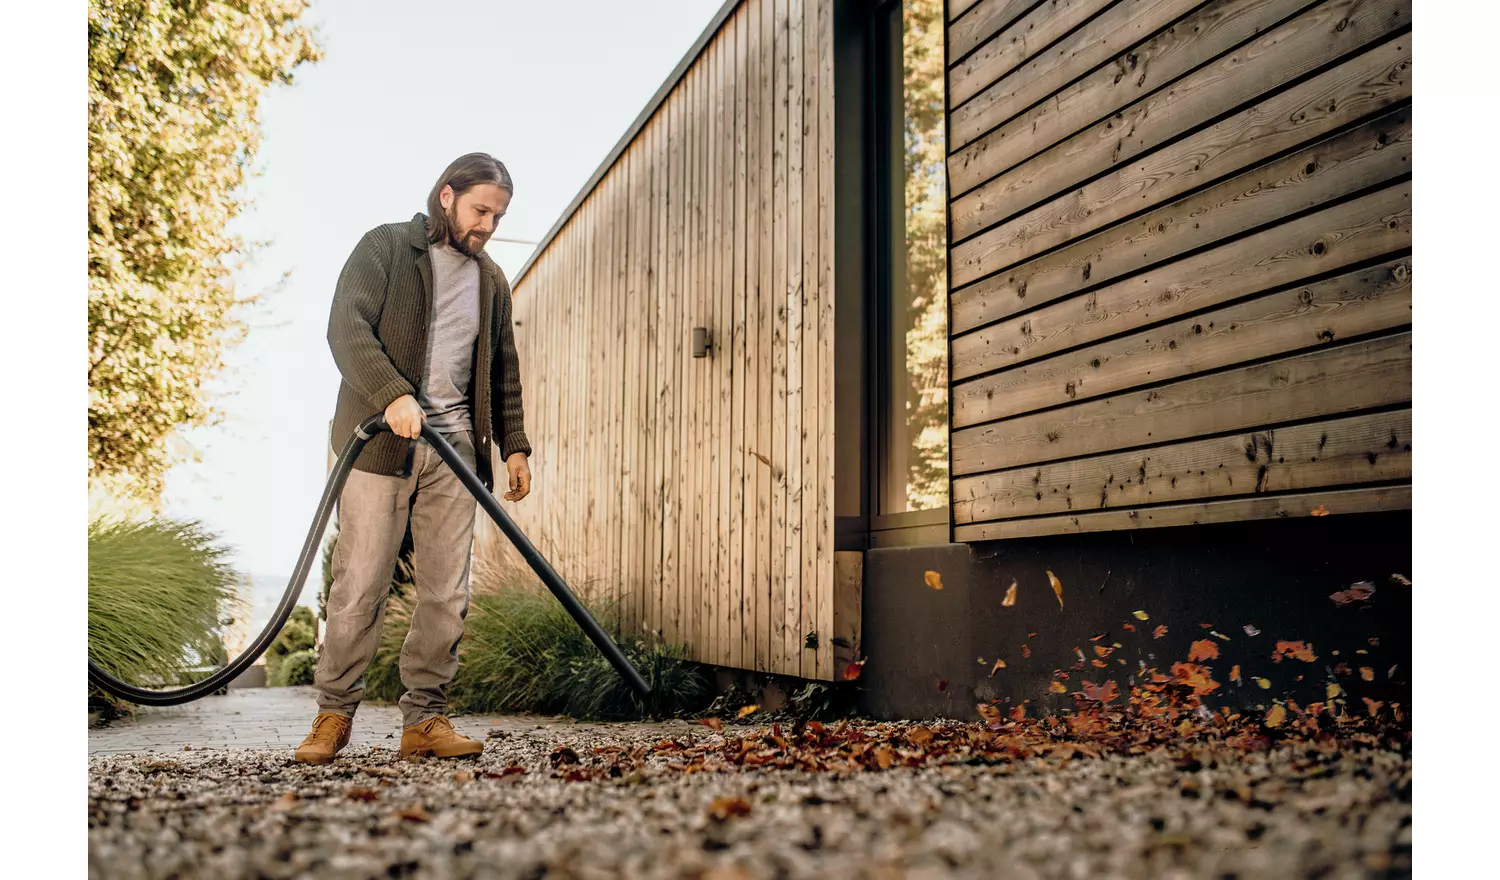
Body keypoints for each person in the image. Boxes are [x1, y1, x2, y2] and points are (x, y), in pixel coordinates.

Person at [294, 153, 532, 764]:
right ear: (447, 195)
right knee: (359, 586)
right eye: (481, 210)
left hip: (456, 451)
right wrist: (392, 394)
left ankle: (424, 719)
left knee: (445, 593)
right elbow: (346, 329)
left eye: (498, 216)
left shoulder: (492, 281)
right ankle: (332, 716)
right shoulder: (385, 249)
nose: (487, 225)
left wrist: (515, 446)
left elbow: (503, 368)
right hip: (379, 445)